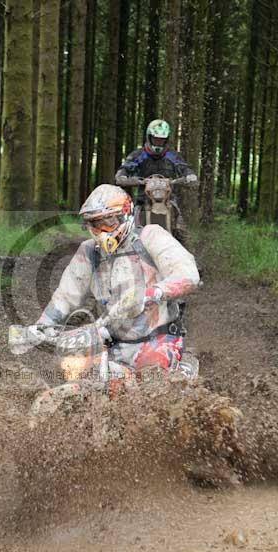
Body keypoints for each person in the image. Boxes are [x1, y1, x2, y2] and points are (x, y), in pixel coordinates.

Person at [37, 184, 200, 378]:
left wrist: (152, 293)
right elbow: (66, 295)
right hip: (111, 342)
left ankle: (184, 370)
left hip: (158, 339)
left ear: (126, 215)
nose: (103, 230)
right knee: (72, 369)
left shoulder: (150, 236)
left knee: (154, 384)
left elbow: (188, 274)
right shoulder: (89, 251)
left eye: (109, 221)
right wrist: (42, 327)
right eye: (96, 224)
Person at [115, 119, 198, 243]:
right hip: (143, 199)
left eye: (162, 140)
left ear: (166, 140)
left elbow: (184, 167)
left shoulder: (172, 156)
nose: (158, 142)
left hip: (168, 199)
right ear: (149, 137)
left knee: (181, 229)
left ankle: (184, 253)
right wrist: (123, 176)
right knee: (128, 226)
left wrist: (189, 176)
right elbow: (125, 168)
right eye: (156, 139)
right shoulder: (139, 155)